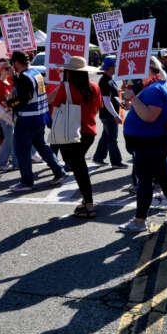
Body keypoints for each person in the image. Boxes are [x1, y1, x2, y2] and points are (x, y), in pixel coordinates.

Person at [118, 57, 167, 233]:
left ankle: (140, 221)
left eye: (138, 68)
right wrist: (132, 100)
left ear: (150, 69)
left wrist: (133, 98)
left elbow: (150, 116)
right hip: (150, 140)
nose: (135, 71)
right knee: (163, 178)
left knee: (145, 181)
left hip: (149, 142)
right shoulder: (154, 86)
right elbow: (144, 110)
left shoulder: (155, 89)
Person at [48, 56, 102, 219]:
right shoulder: (94, 86)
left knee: (80, 169)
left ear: (69, 73)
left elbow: (52, 102)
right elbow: (98, 107)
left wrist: (62, 84)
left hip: (72, 133)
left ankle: (89, 206)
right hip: (89, 132)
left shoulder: (66, 88)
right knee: (79, 167)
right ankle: (87, 202)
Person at [5, 50, 67, 191]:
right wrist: (15, 79)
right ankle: (59, 171)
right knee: (42, 147)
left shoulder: (24, 77)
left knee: (22, 151)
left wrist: (9, 104)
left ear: (15, 63)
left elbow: (23, 99)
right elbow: (30, 91)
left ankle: (27, 182)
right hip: (39, 117)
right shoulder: (36, 74)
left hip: (27, 120)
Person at [91, 56, 125, 168]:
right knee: (112, 139)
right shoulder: (105, 80)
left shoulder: (109, 78)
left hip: (107, 114)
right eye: (116, 65)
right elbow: (106, 100)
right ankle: (116, 162)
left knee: (106, 137)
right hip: (108, 115)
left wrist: (121, 103)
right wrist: (115, 115)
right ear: (111, 67)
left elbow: (113, 96)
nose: (117, 67)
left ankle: (98, 157)